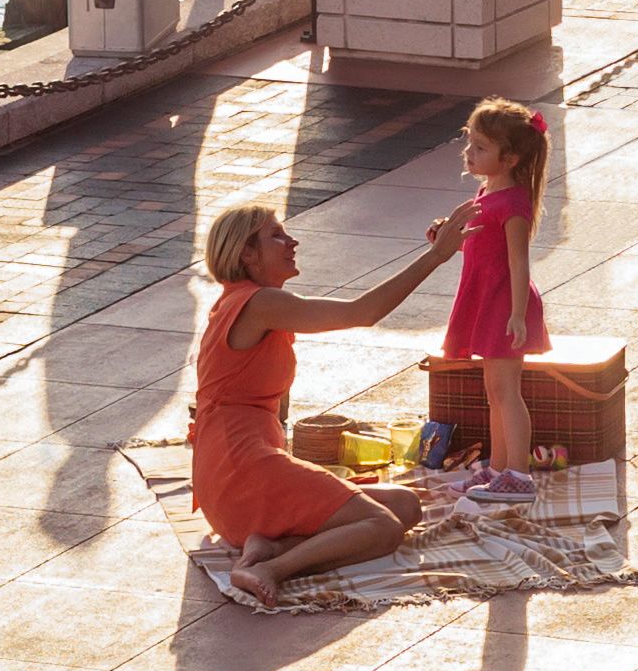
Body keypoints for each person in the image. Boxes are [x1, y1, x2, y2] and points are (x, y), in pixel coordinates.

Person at [191, 199, 472, 605]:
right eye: (277, 235)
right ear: (247, 254)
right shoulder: (260, 303)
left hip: (228, 476)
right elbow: (364, 312)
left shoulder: (246, 300)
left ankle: (270, 547)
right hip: (242, 472)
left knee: (407, 507)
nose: (292, 241)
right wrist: (436, 256)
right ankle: (268, 569)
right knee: (383, 527)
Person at [443, 100, 550, 505]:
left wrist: (519, 315)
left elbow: (519, 263)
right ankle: (499, 465)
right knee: (494, 391)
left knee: (507, 390)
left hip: (504, 305)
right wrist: (445, 236)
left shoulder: (513, 205)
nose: (469, 153)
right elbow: (478, 246)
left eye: (481, 147)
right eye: (469, 143)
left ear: (511, 158)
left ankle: (518, 476)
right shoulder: (488, 191)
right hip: (489, 301)